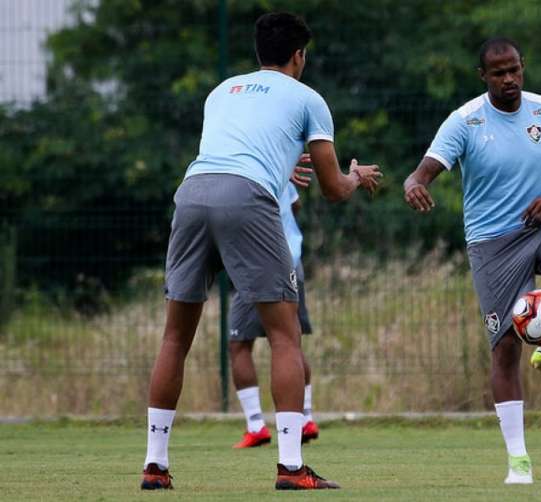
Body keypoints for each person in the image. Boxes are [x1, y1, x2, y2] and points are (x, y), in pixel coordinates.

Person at [141, 12, 381, 491]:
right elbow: (333, 188)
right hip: (246, 198)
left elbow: (240, 145)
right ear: (299, 55)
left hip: (192, 192)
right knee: (285, 335)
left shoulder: (222, 90)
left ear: (258, 53)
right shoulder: (309, 97)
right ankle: (292, 468)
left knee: (175, 338)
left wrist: (278, 164)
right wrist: (357, 176)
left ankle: (155, 465)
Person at [403, 37, 541, 485]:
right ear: (483, 76)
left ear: (523, 67)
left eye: (514, 70)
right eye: (498, 73)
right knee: (506, 350)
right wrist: (414, 184)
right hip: (492, 244)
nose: (508, 79)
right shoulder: (465, 121)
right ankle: (519, 462)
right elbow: (424, 170)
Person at [230, 155, 320, 449]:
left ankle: (256, 425)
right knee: (289, 341)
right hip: (293, 259)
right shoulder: (277, 167)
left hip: (259, 265)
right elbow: (295, 204)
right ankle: (305, 417)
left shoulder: (239, 173)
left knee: (239, 344)